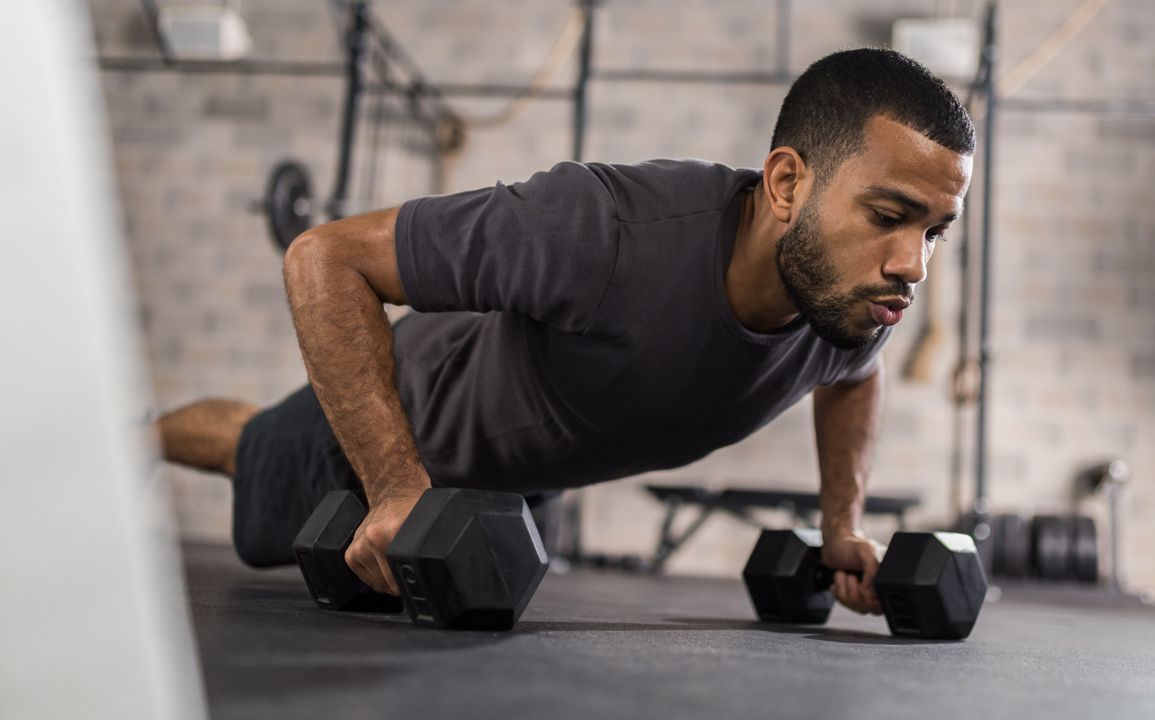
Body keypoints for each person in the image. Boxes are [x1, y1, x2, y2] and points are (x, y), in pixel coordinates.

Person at [157, 48, 974, 618]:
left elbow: (853, 378)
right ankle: (131, 438)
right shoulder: (604, 229)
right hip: (405, 433)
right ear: (789, 180)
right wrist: (398, 487)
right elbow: (323, 256)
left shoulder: (853, 302)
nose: (914, 263)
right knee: (250, 450)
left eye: (936, 231)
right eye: (889, 216)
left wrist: (842, 525)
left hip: (517, 490)